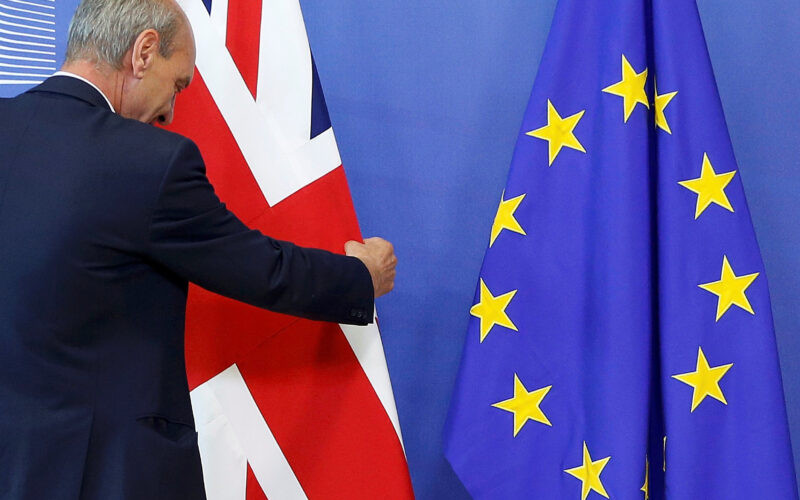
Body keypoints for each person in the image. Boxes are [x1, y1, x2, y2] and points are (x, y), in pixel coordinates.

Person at [0, 0, 397, 498]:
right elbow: (258, 268)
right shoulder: (145, 162)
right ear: (144, 52)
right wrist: (359, 276)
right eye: (178, 84)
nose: (170, 111)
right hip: (105, 475)